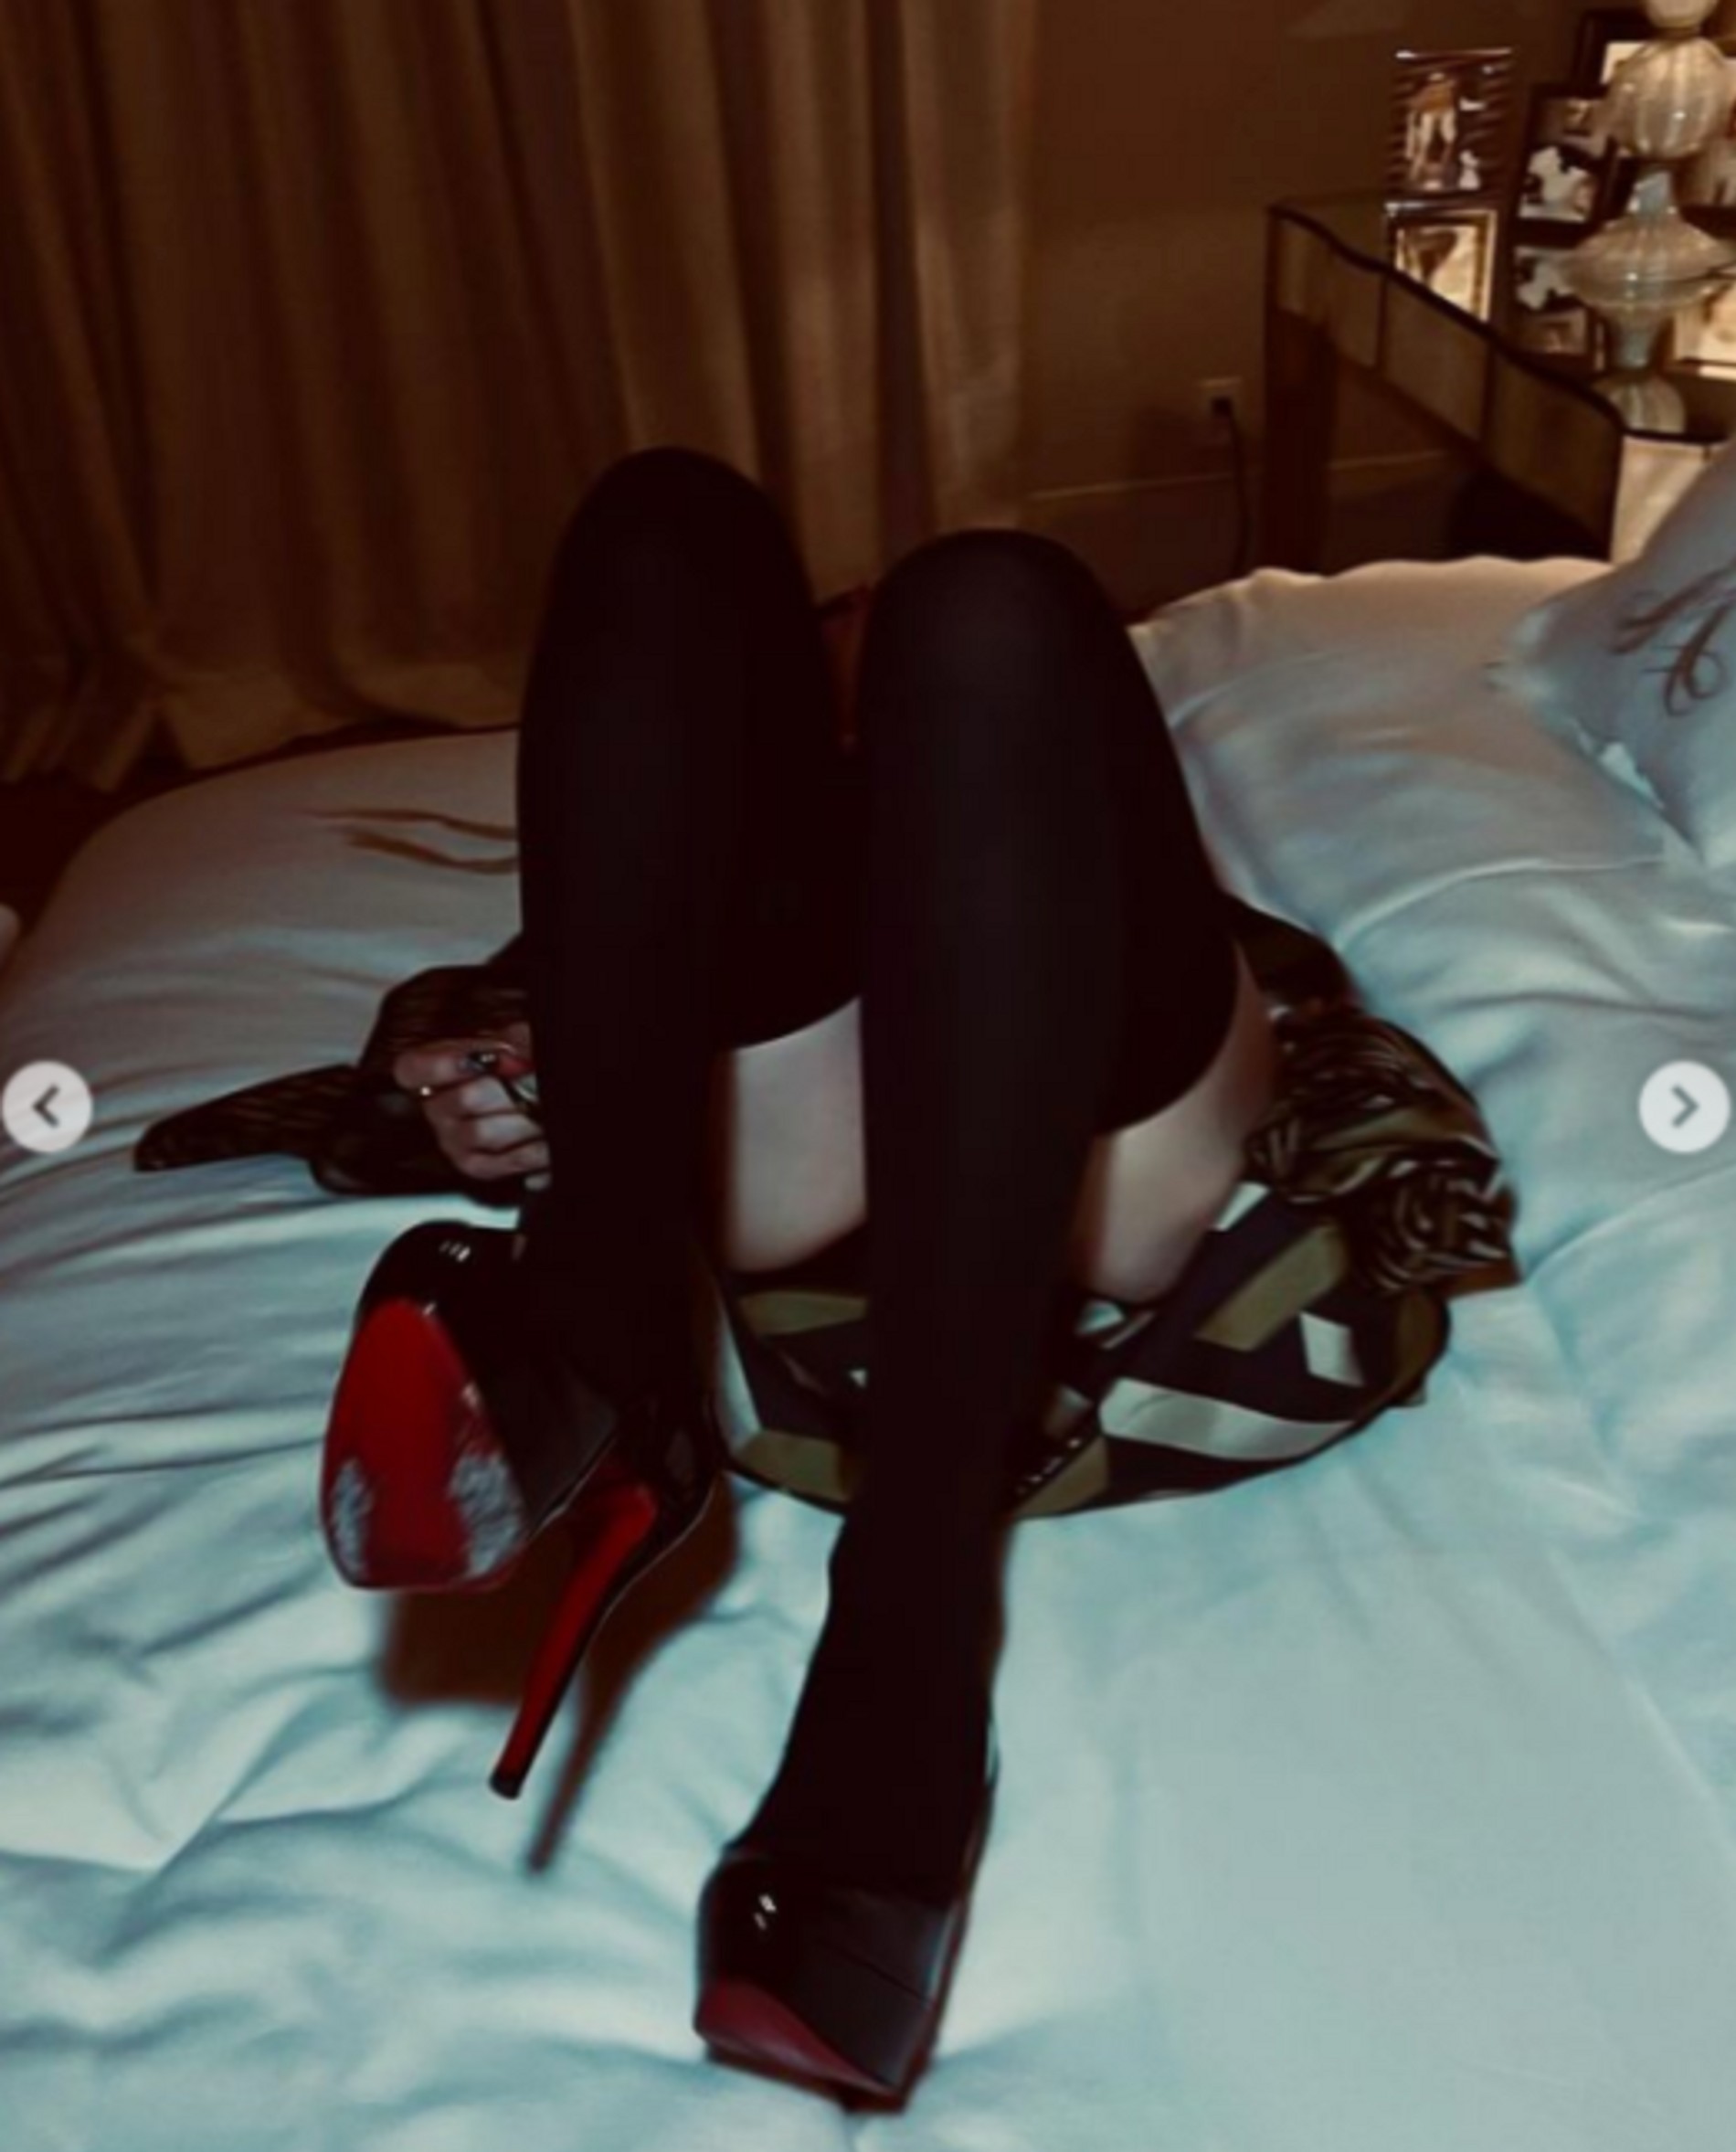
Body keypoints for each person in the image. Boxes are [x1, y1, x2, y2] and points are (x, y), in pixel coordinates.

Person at [311, 447, 1491, 2103]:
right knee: (667, 521)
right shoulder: (743, 852)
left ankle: (903, 1632)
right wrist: (519, 1084)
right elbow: (577, 950)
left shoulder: (1003, 730)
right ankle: (602, 1333)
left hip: (1110, 1150)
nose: (851, 624)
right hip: (792, 1134)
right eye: (832, 622)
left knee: (988, 608)